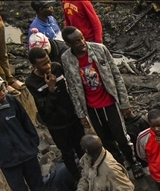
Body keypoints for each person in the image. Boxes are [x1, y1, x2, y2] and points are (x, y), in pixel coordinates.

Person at [61, 27, 143, 177]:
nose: (82, 43)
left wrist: (124, 103)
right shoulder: (67, 59)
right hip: (91, 107)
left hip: (110, 101)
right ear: (68, 44)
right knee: (104, 139)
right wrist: (81, 114)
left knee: (121, 137)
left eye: (82, 38)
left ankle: (133, 162)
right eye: (77, 41)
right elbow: (72, 88)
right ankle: (119, 166)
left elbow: (116, 76)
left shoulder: (99, 50)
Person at [27, 47, 85, 181]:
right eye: (43, 64)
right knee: (67, 153)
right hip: (56, 125)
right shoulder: (32, 82)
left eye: (48, 61)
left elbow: (72, 90)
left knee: (81, 146)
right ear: (34, 65)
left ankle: (88, 172)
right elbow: (45, 110)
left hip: (72, 118)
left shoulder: (57, 68)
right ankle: (77, 178)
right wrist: (51, 90)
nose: (48, 66)